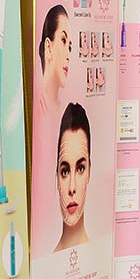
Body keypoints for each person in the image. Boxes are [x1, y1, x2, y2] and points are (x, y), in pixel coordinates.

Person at [54, 102, 92, 251]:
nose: (72, 188)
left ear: (89, 172)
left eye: (80, 169)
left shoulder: (101, 251)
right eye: (65, 172)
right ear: (57, 178)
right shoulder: (44, 261)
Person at [36, 3, 71, 110]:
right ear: (48, 46)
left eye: (70, 47)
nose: (68, 56)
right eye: (63, 40)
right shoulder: (35, 107)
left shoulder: (65, 112)